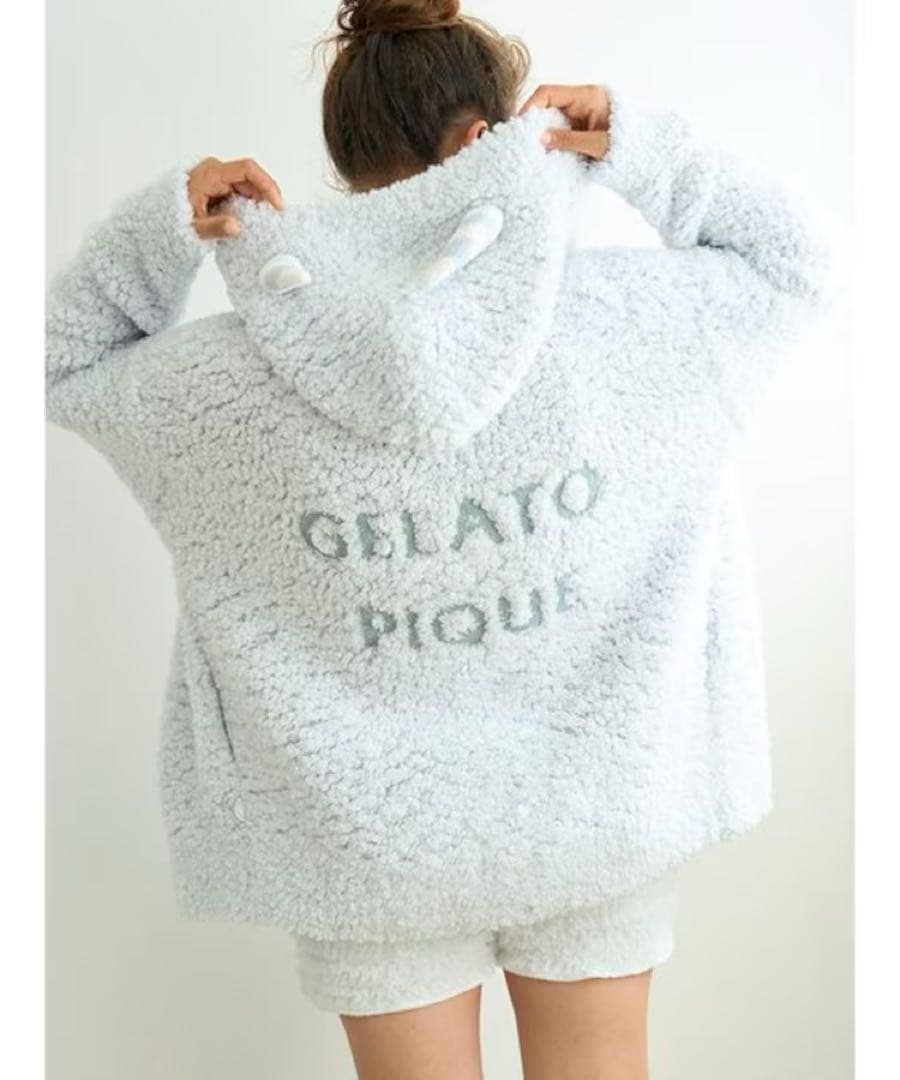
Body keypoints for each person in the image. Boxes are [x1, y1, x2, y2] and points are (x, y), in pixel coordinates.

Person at [45, 1, 829, 1077]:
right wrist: (643, 147)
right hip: (597, 816)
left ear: (343, 157)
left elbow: (62, 360)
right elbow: (797, 260)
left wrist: (159, 231)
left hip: (365, 850)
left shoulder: (227, 383)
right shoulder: (632, 326)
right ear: (484, 136)